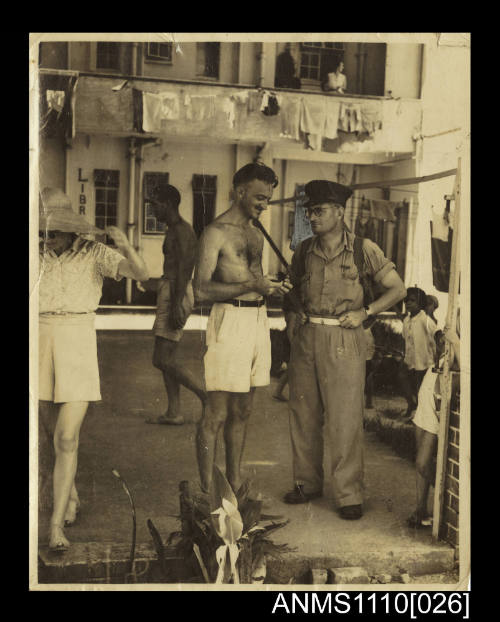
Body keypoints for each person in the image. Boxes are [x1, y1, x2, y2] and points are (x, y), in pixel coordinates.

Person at [283, 180, 406, 520]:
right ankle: (306, 483)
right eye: (309, 211)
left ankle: (348, 493)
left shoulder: (364, 249)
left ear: (339, 212)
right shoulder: (304, 250)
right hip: (308, 338)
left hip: (344, 337)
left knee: (345, 418)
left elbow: (397, 289)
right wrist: (292, 318)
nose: (312, 217)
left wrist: (366, 312)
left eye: (319, 211)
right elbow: (291, 291)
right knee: (304, 414)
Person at [37, 187, 149, 551]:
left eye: (53, 232)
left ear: (73, 231)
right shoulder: (34, 253)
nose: (47, 238)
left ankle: (55, 527)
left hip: (77, 342)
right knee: (50, 435)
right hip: (37, 340)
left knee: (66, 437)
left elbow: (141, 273)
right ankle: (69, 497)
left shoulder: (96, 254)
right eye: (42, 232)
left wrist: (127, 244)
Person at [193, 162, 292, 494]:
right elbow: (201, 289)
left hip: (257, 321)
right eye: (259, 197)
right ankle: (207, 491)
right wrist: (255, 284)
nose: (264, 205)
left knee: (244, 409)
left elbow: (255, 281)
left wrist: (272, 288)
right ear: (238, 192)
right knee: (216, 413)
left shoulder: (255, 232)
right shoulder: (215, 232)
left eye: (268, 199)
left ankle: (233, 481)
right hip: (229, 320)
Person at [146, 184, 207, 425]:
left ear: (168, 204)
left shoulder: (183, 231)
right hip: (170, 290)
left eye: (155, 205)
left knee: (161, 359)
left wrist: (176, 304)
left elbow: (185, 270)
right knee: (167, 357)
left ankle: (206, 396)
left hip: (176, 292)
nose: (152, 210)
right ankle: (174, 412)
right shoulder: (172, 229)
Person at [407, 321, 460, 529]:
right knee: (420, 464)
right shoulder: (442, 354)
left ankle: (446, 493)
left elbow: (464, 367)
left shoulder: (459, 353)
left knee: (422, 463)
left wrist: (455, 341)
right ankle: (420, 510)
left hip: (434, 414)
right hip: (423, 409)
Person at [399, 287, 439, 420]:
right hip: (410, 359)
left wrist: (437, 355)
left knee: (420, 387)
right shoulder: (406, 320)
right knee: (401, 377)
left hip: (424, 359)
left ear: (420, 302)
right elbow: (405, 339)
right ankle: (411, 404)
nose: (408, 303)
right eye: (406, 300)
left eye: (412, 300)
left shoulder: (425, 319)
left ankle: (420, 415)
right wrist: (403, 355)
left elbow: (437, 334)